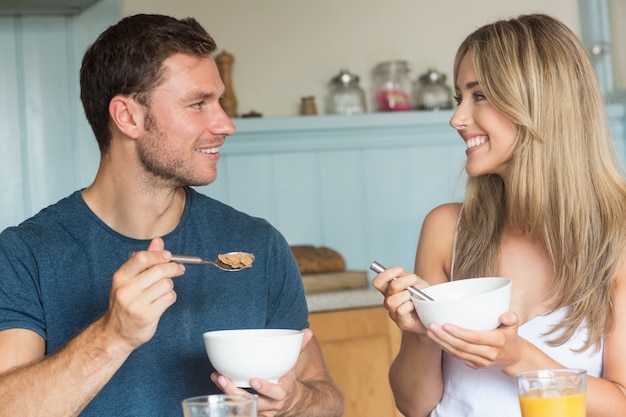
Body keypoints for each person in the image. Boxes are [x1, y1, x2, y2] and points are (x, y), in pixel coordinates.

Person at [0, 14, 343, 417]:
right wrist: (113, 336)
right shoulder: (24, 254)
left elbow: (326, 398)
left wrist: (296, 401)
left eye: (220, 103)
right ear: (128, 117)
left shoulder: (256, 245)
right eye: (198, 104)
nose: (226, 124)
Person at [372, 13, 626, 417]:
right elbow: (414, 405)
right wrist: (420, 334)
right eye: (460, 98)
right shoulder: (446, 228)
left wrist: (518, 358)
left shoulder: (617, 238)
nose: (457, 119)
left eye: (479, 95)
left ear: (540, 101)